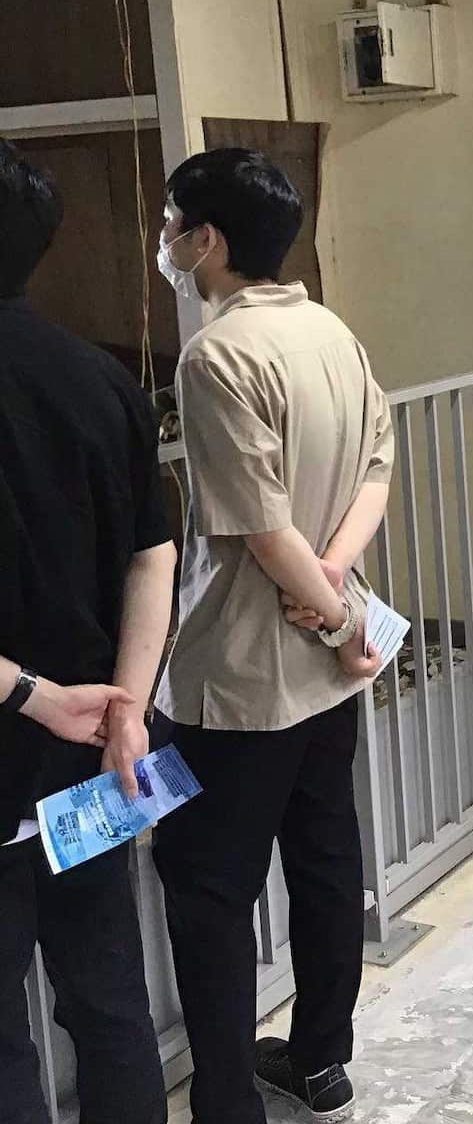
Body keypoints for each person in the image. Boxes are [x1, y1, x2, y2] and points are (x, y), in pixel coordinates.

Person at [149, 149, 394, 1124]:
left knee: (209, 889)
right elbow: (377, 467)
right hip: (330, 671)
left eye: (171, 225)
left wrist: (327, 608)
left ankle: (225, 1102)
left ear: (206, 240)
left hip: (243, 676)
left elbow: (257, 527)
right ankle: (321, 1059)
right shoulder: (329, 329)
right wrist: (339, 589)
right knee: (325, 858)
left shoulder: (216, 356)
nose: (166, 242)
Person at [0, 137, 175, 1124]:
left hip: (28, 730)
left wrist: (30, 694)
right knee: (107, 996)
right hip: (98, 755)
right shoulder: (101, 379)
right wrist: (129, 707)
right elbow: (154, 553)